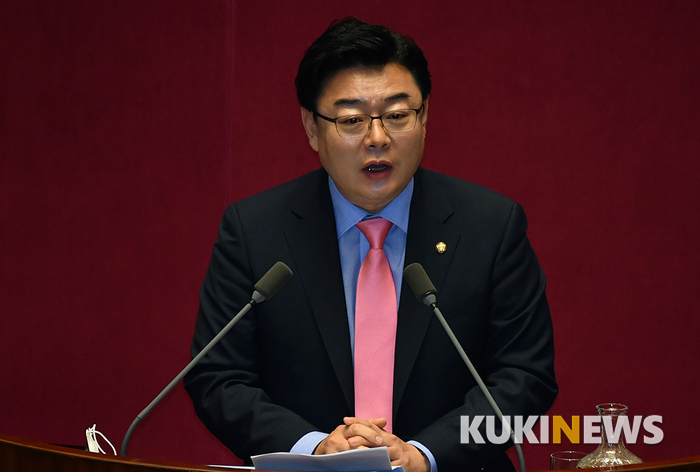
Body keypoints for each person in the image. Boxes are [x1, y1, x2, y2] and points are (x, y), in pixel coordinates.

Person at [184, 18, 557, 472]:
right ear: (311, 127)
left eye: (397, 116)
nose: (377, 138)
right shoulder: (255, 231)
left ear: (424, 118)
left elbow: (525, 376)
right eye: (351, 120)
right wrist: (312, 448)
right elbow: (218, 376)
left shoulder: (490, 226)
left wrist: (426, 454)